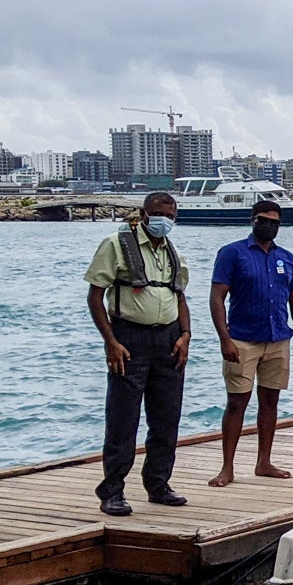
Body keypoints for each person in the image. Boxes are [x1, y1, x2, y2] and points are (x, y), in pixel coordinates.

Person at [84, 192, 192, 516]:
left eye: (170, 215)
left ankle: (158, 484)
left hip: (169, 339)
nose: (164, 220)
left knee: (166, 417)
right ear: (144, 214)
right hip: (129, 338)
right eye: (158, 213)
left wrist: (186, 335)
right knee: (122, 418)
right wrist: (110, 341)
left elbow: (181, 297)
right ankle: (112, 491)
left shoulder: (173, 253)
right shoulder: (116, 245)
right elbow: (95, 297)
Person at [207, 199, 293, 487]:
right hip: (241, 339)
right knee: (237, 402)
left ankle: (263, 462)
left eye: (275, 222)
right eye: (264, 220)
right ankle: (227, 468)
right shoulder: (232, 254)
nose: (269, 226)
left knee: (270, 401)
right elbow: (217, 298)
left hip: (278, 337)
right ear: (252, 220)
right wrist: (224, 338)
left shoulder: (286, 258)